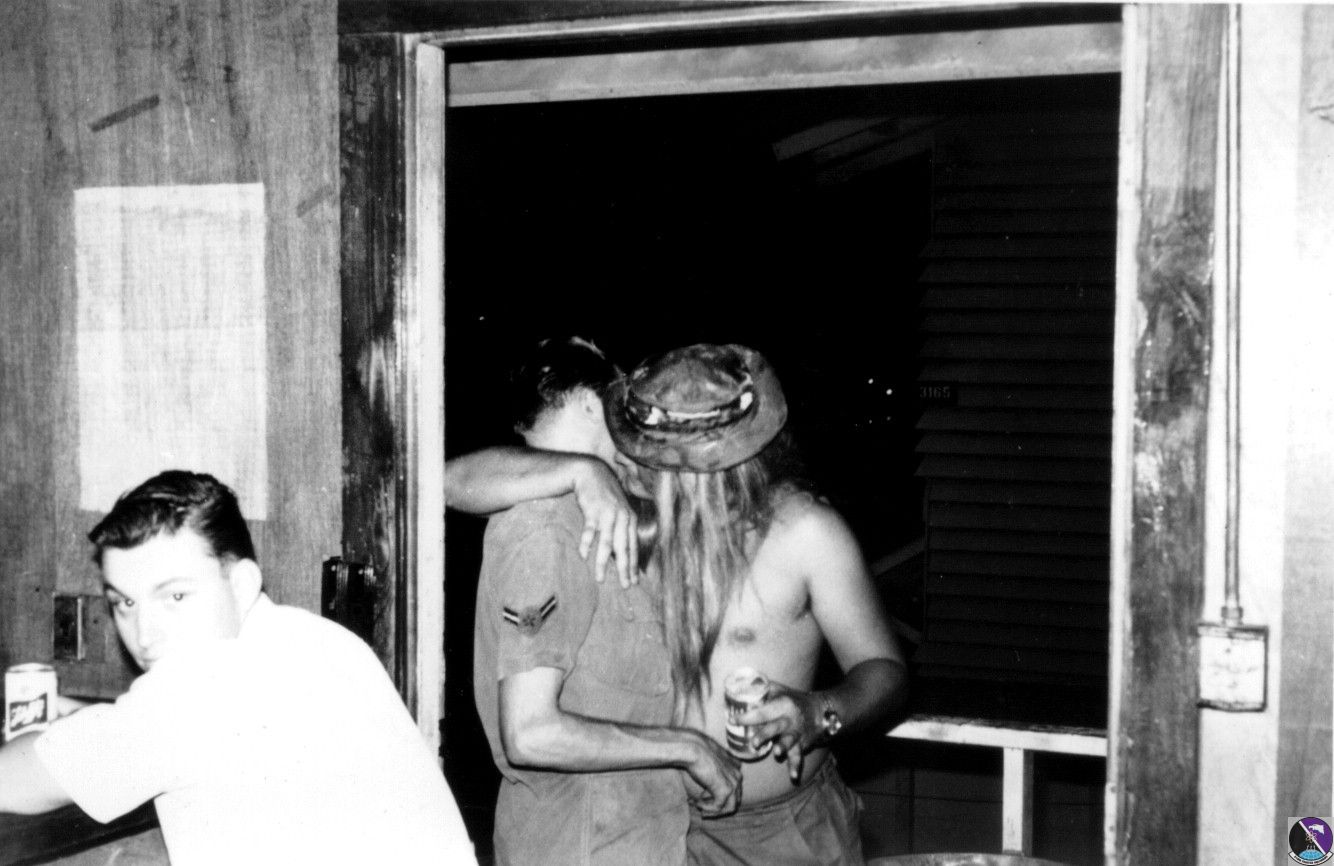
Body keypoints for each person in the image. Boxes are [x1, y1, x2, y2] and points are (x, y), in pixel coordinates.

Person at [0, 471, 477, 866]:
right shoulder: (321, 640)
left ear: (243, 584)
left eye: (175, 596)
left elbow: (14, 782)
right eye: (125, 602)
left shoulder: (196, 692)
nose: (144, 634)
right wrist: (80, 717)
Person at [605, 343, 908, 866]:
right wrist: (575, 474)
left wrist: (819, 713)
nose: (633, 467)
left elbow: (885, 672)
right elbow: (457, 480)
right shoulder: (628, 518)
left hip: (782, 834)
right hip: (652, 826)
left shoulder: (805, 532)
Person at [472, 337, 741, 866]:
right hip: (579, 847)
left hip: (637, 838)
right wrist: (687, 748)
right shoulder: (544, 528)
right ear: (589, 404)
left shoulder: (594, 508)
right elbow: (530, 733)